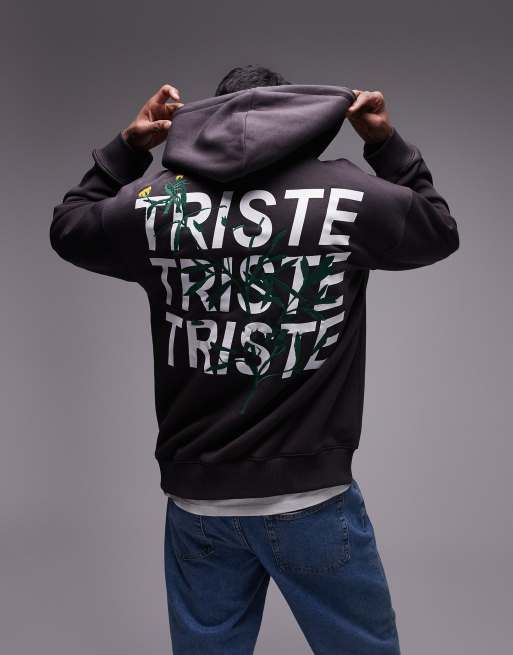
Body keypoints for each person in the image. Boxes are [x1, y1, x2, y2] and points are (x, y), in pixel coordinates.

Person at [50, 64, 459, 654]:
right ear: (296, 115)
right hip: (312, 501)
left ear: (207, 121)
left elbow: (69, 226)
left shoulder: (157, 204)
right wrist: (384, 143)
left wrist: (129, 147)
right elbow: (439, 229)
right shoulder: (347, 195)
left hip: (198, 503)